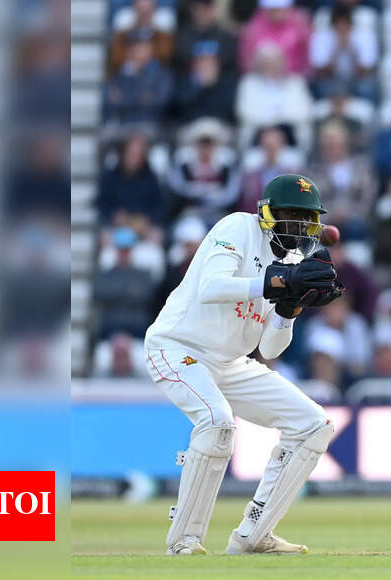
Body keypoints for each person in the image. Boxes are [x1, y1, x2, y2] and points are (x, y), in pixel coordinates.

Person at [144, 174, 344, 555]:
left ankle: (252, 536)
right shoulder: (237, 227)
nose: (299, 226)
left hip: (231, 362)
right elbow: (211, 288)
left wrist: (290, 306)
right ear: (268, 213)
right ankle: (184, 541)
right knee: (217, 422)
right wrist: (279, 280)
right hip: (177, 347)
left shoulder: (294, 261)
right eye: (291, 215)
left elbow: (271, 348)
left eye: (306, 219)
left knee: (313, 424)